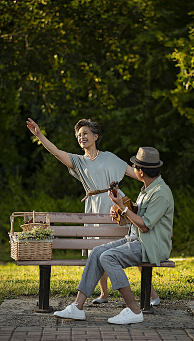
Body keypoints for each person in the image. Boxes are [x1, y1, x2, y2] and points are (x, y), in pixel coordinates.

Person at [26, 118, 160, 305]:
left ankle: (152, 295)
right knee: (97, 250)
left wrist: (157, 185)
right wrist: (39, 135)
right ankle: (104, 294)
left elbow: (136, 173)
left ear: (96, 136)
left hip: (116, 204)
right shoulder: (78, 162)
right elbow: (56, 152)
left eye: (85, 133)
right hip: (93, 206)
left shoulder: (111, 157)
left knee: (131, 248)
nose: (82, 137)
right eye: (79, 135)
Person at [53, 147, 174, 324]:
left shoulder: (161, 193)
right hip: (135, 240)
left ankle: (133, 310)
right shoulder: (147, 189)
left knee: (109, 257)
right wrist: (120, 209)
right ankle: (77, 307)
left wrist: (124, 208)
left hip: (150, 246)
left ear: (141, 171)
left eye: (135, 166)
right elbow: (137, 215)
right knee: (96, 252)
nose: (133, 168)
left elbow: (145, 225)